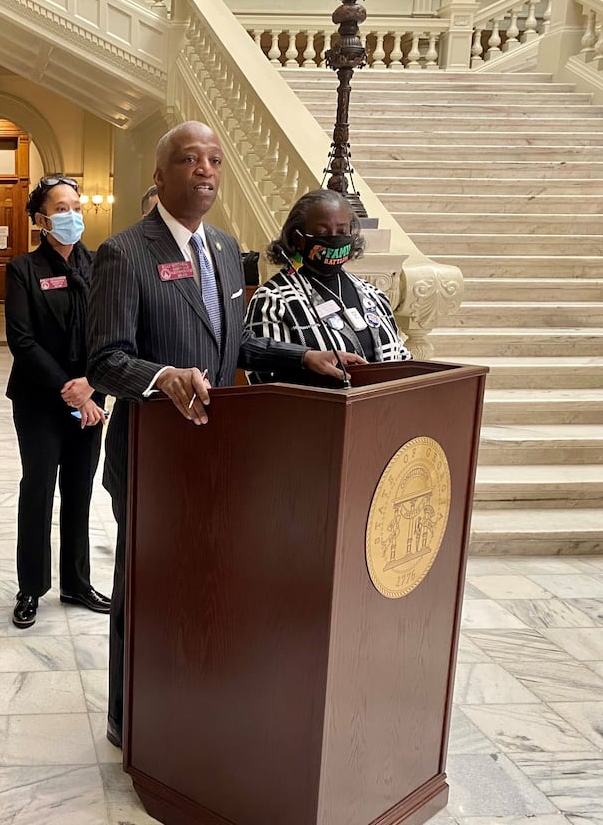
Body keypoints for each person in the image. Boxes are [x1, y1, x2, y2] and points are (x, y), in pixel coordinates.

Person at [86, 122, 362, 748]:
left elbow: (231, 343)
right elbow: (105, 360)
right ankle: (128, 713)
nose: (205, 170)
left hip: (221, 453)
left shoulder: (225, 249)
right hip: (152, 456)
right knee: (147, 586)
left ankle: (190, 695)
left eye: (214, 158)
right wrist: (161, 376)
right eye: (189, 159)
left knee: (203, 584)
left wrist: (302, 358)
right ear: (159, 177)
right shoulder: (124, 253)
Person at [4, 176, 111, 630]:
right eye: (61, 208)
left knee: (80, 492)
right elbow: (22, 341)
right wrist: (69, 389)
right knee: (39, 490)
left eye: (76, 206)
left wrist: (90, 388)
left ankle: (76, 582)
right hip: (39, 399)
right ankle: (31, 586)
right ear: (41, 219)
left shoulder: (101, 264)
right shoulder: (23, 269)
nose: (72, 215)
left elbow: (111, 332)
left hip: (92, 398)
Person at [245, 189, 411, 383]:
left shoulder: (373, 294)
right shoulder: (273, 300)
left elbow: (401, 358)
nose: (334, 238)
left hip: (384, 409)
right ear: (299, 238)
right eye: (323, 232)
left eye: (342, 231)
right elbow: (265, 379)